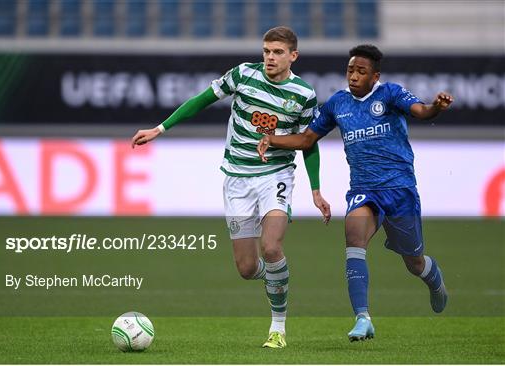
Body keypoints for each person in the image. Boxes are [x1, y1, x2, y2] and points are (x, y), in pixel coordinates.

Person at [131, 26, 331, 348]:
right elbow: (202, 100)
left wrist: (316, 189)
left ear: (293, 56)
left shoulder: (303, 95)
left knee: (272, 247)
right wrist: (160, 128)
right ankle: (278, 278)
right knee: (247, 268)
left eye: (277, 52)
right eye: (266, 51)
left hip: (275, 176)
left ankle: (277, 328)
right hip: (237, 180)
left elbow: (309, 143)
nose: (269, 57)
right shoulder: (243, 75)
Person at [257, 44, 452, 342]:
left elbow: (422, 111)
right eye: (350, 70)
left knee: (413, 261)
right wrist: (273, 139)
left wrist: (436, 107)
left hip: (399, 189)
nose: (354, 76)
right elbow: (309, 138)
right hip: (363, 190)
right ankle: (363, 317)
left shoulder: (390, 94)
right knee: (353, 238)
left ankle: (432, 276)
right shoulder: (338, 103)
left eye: (361, 72)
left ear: (375, 76)